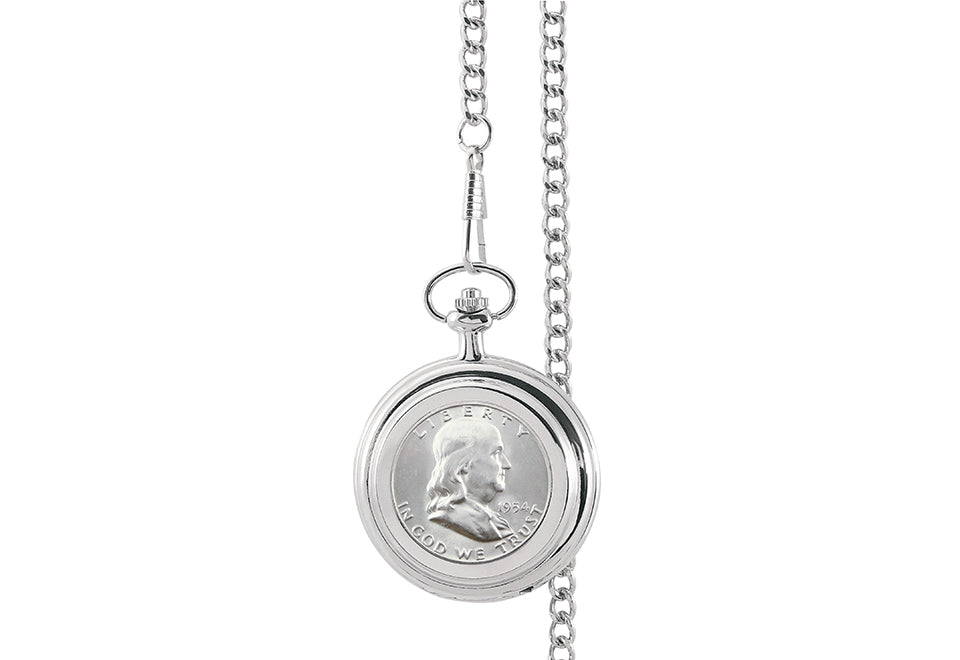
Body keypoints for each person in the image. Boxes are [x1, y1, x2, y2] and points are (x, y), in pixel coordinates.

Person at [425, 418, 513, 542]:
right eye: (496, 453)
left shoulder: (495, 522)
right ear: (464, 464)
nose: (507, 464)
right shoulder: (457, 519)